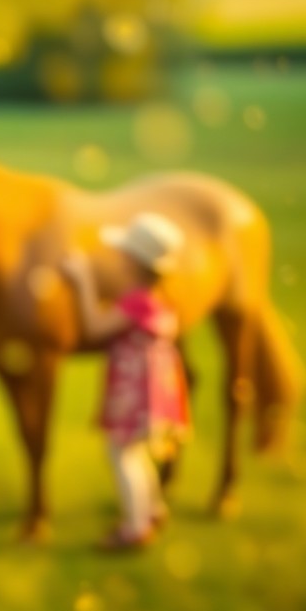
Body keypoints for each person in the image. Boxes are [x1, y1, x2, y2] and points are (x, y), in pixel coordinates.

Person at [61, 213, 192, 552]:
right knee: (136, 451)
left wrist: (82, 282)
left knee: (121, 454)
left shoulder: (135, 303)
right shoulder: (162, 300)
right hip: (157, 389)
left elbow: (94, 327)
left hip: (134, 389)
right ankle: (152, 510)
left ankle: (135, 529)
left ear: (134, 261)